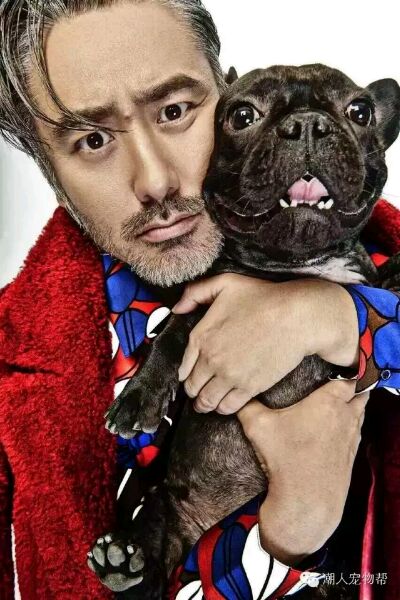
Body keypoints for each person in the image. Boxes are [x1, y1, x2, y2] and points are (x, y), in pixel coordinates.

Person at [0, 1, 399, 598]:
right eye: (92, 139)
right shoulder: (12, 358)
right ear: (46, 167)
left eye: (175, 111)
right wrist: (295, 527)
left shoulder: (368, 254)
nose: (155, 181)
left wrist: (337, 318)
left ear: (224, 90)